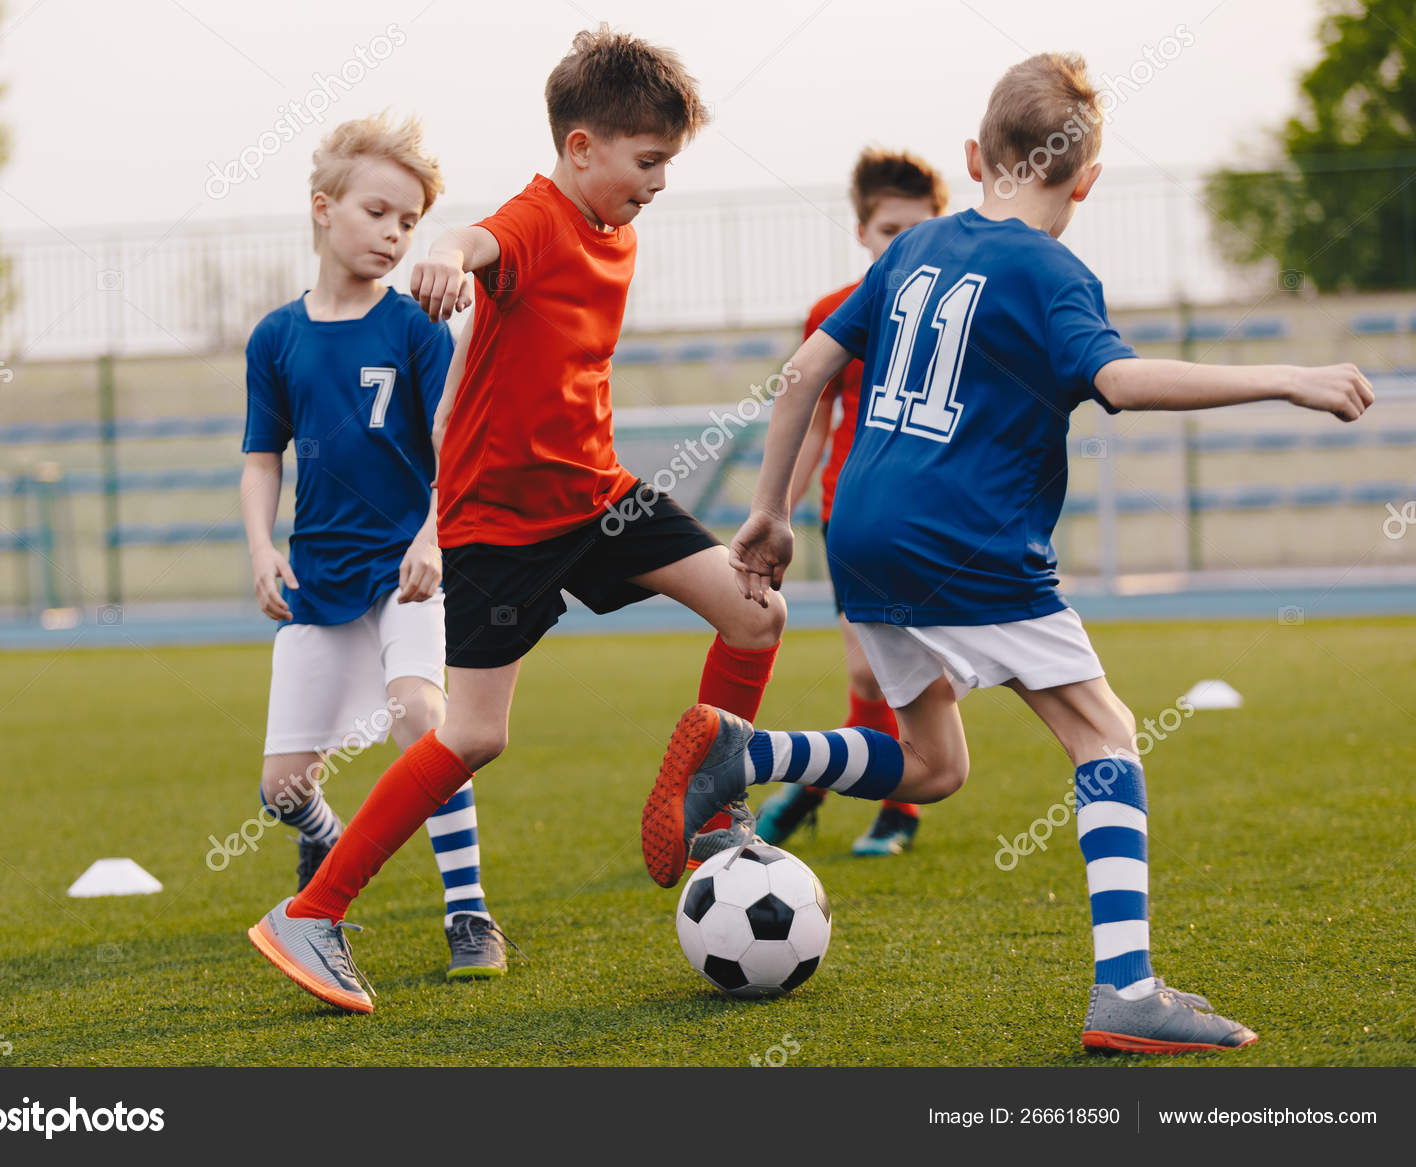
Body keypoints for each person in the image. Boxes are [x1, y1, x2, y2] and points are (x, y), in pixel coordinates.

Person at [643, 52, 1373, 1052]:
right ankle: (1125, 991)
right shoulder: (1050, 271)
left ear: (975, 154)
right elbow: (1116, 383)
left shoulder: (914, 248)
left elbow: (807, 367)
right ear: (1088, 180)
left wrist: (768, 512)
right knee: (1107, 737)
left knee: (934, 766)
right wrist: (1282, 376)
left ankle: (748, 752)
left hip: (860, 531)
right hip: (966, 542)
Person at [248, 26, 782, 1014]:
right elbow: (472, 241)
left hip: (596, 497)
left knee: (754, 613)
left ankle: (713, 811)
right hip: (498, 527)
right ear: (581, 149)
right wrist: (445, 260)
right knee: (473, 736)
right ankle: (312, 912)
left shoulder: (620, 229)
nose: (657, 182)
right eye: (646, 161)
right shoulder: (534, 219)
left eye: (667, 162)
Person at [241, 113, 508, 997]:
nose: (396, 234)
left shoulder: (418, 328)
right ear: (323, 208)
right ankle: (323, 832)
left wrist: (434, 536)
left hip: (408, 568)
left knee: (421, 718)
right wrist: (259, 548)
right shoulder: (275, 337)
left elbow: (454, 441)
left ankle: (467, 907)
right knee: (281, 786)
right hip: (320, 576)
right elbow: (261, 457)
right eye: (379, 212)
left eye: (409, 219)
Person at [756, 147, 949, 858]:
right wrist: (778, 509)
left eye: (920, 228)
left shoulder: (954, 316)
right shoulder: (833, 313)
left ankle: (814, 787)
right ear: (864, 233)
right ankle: (894, 808)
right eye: (890, 230)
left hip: (939, 518)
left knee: (931, 675)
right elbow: (812, 424)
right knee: (870, 671)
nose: (904, 242)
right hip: (854, 517)